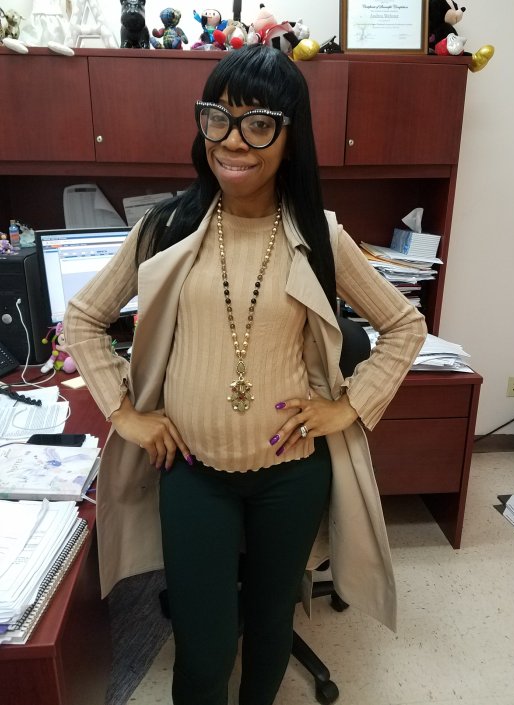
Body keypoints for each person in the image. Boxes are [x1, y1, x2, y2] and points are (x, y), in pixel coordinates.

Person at [64, 44, 427, 705]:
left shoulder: (321, 235)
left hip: (291, 475)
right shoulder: (165, 228)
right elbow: (84, 318)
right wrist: (125, 413)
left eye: (259, 123)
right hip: (192, 472)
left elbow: (404, 326)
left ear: (290, 137)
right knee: (203, 651)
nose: (234, 141)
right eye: (218, 118)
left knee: (269, 626)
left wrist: (348, 407)